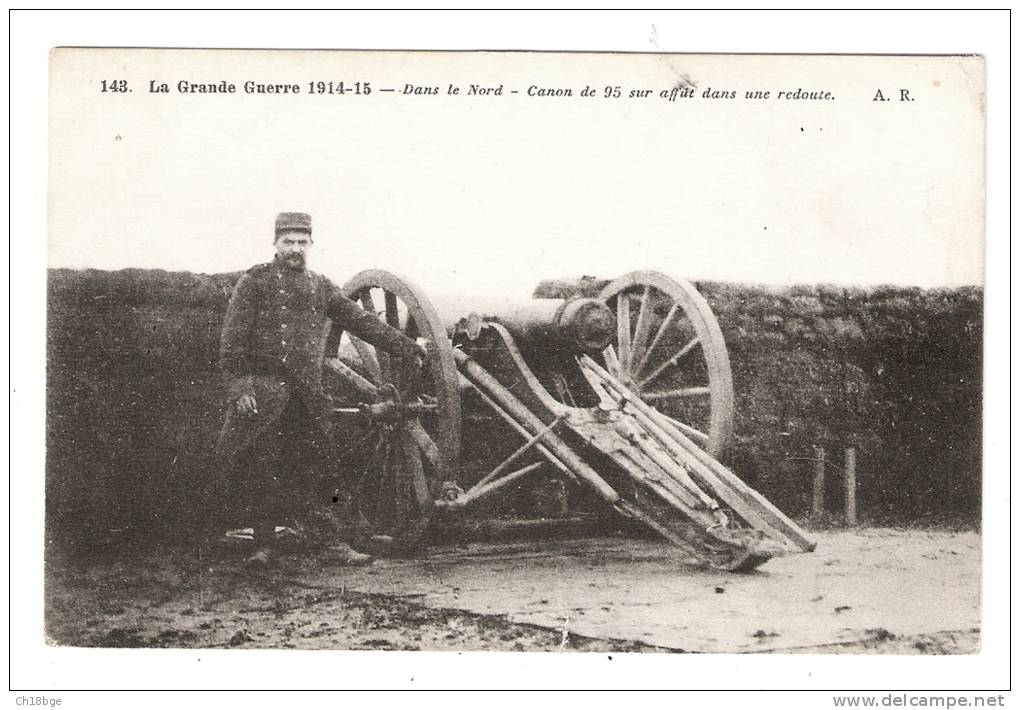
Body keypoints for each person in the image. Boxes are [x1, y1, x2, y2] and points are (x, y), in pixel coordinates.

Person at [218, 212, 425, 567]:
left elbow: (360, 321)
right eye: (288, 242)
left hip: (308, 395)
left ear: (310, 244)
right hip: (267, 394)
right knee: (265, 468)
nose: (295, 249)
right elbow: (232, 339)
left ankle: (332, 544)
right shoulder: (255, 282)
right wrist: (242, 388)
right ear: (276, 244)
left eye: (302, 242)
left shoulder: (320, 285)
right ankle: (265, 547)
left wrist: (406, 346)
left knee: (322, 469)